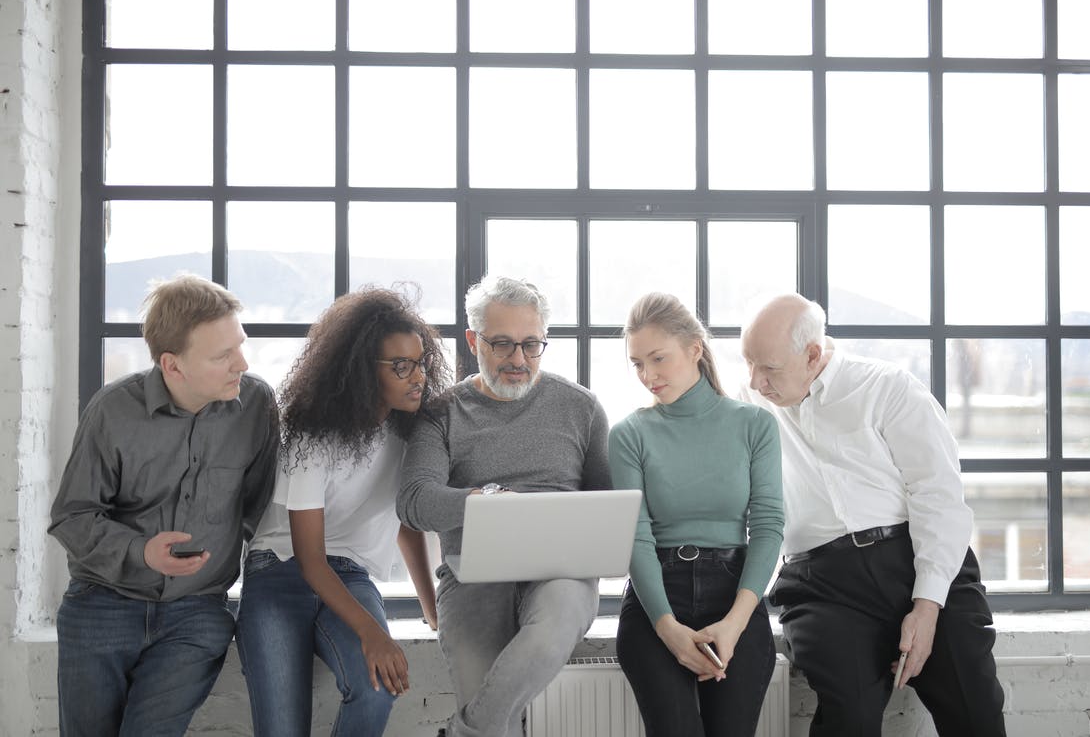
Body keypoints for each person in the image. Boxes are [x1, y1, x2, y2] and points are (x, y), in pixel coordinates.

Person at [739, 293, 1006, 737]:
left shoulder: (888, 388)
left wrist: (926, 606)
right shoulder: (752, 399)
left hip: (915, 558)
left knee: (975, 710)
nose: (754, 380)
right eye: (748, 363)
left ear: (811, 355)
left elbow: (938, 495)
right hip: (822, 585)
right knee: (851, 716)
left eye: (768, 367)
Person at [48, 273, 280, 737]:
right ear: (173, 366)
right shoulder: (113, 410)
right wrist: (142, 552)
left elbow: (259, 511)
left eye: (240, 344)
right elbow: (71, 518)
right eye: (222, 355)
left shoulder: (256, 405)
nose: (242, 362)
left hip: (196, 614)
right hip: (102, 606)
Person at [397, 275, 611, 737]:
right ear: (473, 341)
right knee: (496, 717)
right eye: (502, 345)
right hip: (473, 575)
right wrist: (488, 502)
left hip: (562, 572)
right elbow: (414, 503)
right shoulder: (443, 413)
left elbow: (610, 505)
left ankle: (461, 732)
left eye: (531, 345)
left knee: (553, 625)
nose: (519, 360)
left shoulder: (581, 407)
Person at [235, 288, 450, 736]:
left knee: (377, 689)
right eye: (400, 366)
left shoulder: (410, 433)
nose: (418, 378)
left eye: (421, 362)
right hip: (279, 572)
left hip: (350, 576)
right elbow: (310, 559)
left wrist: (433, 610)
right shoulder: (313, 434)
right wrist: (373, 633)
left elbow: (405, 525)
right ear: (361, 372)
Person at [609, 293, 784, 737]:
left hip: (735, 596)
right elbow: (636, 537)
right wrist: (669, 631)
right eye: (637, 363)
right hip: (655, 602)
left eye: (658, 358)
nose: (648, 375)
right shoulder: (629, 435)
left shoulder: (755, 425)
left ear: (694, 349)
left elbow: (767, 527)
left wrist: (734, 624)